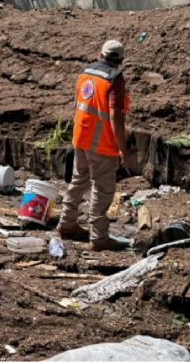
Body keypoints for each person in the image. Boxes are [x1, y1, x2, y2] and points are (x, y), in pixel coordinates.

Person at [56, 39, 134, 251]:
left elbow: (79, 103)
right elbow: (115, 116)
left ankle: (66, 222)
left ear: (101, 54)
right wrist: (123, 149)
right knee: (102, 188)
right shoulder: (114, 79)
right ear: (120, 61)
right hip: (100, 144)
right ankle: (99, 237)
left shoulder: (85, 71)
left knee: (78, 180)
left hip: (80, 136)